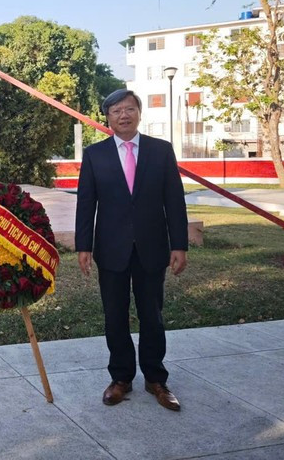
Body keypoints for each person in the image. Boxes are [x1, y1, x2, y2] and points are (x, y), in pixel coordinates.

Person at [75, 88, 188, 412]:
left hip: (152, 247)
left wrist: (179, 244)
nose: (123, 115)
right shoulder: (95, 155)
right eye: (116, 111)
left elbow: (174, 201)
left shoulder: (160, 151)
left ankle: (156, 379)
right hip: (111, 248)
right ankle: (121, 378)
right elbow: (86, 204)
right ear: (107, 118)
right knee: (115, 315)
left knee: (152, 315)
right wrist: (84, 246)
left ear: (139, 113)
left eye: (129, 109)